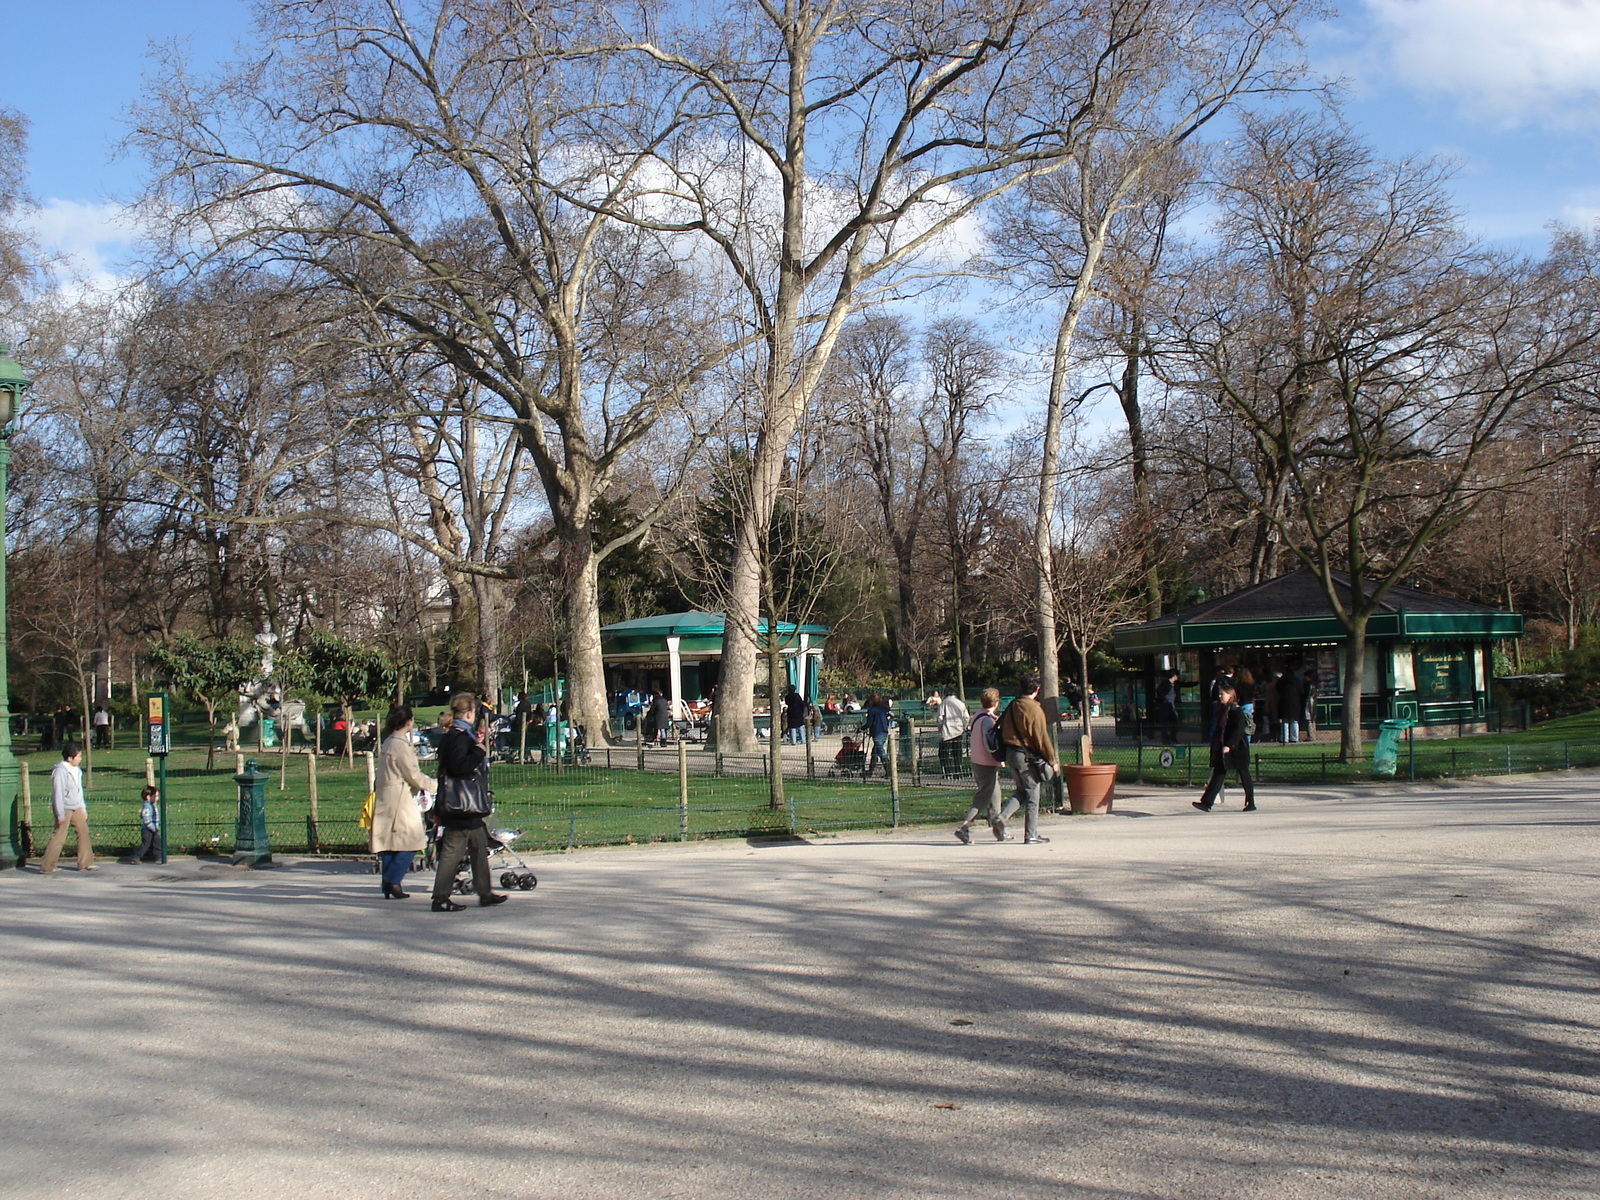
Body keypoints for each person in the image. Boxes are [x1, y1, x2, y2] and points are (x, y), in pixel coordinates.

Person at [430, 693, 508, 911]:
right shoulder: (459, 737)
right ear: (469, 713)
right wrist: (478, 751)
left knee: (479, 847)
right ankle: (440, 897)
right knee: (452, 851)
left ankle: (484, 892)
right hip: (462, 805)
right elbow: (457, 767)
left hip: (465, 806)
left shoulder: (457, 735)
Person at [372, 705, 437, 900]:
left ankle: (389, 882)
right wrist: (434, 785)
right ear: (408, 721)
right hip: (400, 797)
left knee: (393, 843)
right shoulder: (400, 745)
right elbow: (413, 774)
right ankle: (392, 880)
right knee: (411, 840)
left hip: (388, 795)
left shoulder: (388, 742)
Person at [997, 674, 1057, 845]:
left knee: (1022, 791)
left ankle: (1001, 817)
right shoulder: (1035, 709)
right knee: (1033, 795)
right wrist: (1052, 760)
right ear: (1037, 690)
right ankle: (1031, 834)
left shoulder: (1013, 705)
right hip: (1027, 756)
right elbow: (1041, 738)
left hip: (1010, 752)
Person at [1192, 682, 1256, 812]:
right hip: (1225, 748)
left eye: (1223, 694)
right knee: (1219, 774)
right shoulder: (1223, 710)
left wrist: (1229, 745)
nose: (1220, 696)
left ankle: (1251, 802)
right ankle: (1206, 802)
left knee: (1244, 774)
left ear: (1230, 695)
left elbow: (1238, 730)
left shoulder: (1236, 711)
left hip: (1236, 749)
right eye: (1219, 694)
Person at [954, 689, 1005, 843]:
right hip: (986, 763)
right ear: (996, 703)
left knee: (995, 796)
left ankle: (1000, 831)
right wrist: (999, 755)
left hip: (978, 761)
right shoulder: (988, 720)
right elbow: (990, 744)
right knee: (983, 798)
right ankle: (964, 827)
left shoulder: (977, 716)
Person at [39, 743, 96, 873]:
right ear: (69, 758)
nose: (80, 758)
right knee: (59, 835)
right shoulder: (60, 771)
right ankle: (47, 866)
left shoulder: (77, 771)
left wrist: (83, 808)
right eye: (78, 756)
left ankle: (85, 863)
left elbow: (79, 791)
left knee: (83, 832)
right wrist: (60, 814)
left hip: (76, 806)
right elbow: (57, 793)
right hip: (64, 807)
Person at [121, 785, 161, 864]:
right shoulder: (147, 807)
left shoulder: (152, 805)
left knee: (157, 843)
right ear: (148, 797)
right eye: (155, 796)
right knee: (146, 844)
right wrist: (153, 828)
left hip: (153, 829)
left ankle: (158, 856)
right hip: (148, 830)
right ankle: (135, 856)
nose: (157, 798)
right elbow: (146, 819)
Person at [937, 689, 970, 775]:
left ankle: (947, 772)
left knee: (944, 753)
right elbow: (966, 717)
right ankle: (958, 770)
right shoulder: (960, 703)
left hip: (947, 731)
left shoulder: (944, 703)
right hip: (958, 731)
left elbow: (940, 718)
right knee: (957, 752)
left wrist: (940, 728)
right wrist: (964, 727)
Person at [863, 694, 891, 778]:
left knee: (881, 751)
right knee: (875, 751)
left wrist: (862, 727)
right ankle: (871, 771)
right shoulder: (883, 710)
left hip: (877, 732)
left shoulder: (871, 710)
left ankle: (889, 771)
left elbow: (869, 723)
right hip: (884, 732)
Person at [1276, 665, 1305, 745]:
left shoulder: (1282, 680)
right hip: (1295, 703)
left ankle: (1284, 738)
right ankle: (1294, 738)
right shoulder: (1297, 680)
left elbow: (1277, 688)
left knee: (1284, 721)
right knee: (1294, 721)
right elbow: (1301, 692)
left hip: (1284, 702)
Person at [1152, 670, 1181, 743]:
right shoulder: (1166, 683)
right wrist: (1164, 699)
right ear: (1174, 676)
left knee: (1175, 722)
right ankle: (1165, 739)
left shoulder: (1175, 684)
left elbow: (1184, 684)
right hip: (1165, 705)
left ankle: (1172, 737)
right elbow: (1159, 691)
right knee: (1165, 723)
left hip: (1171, 705)